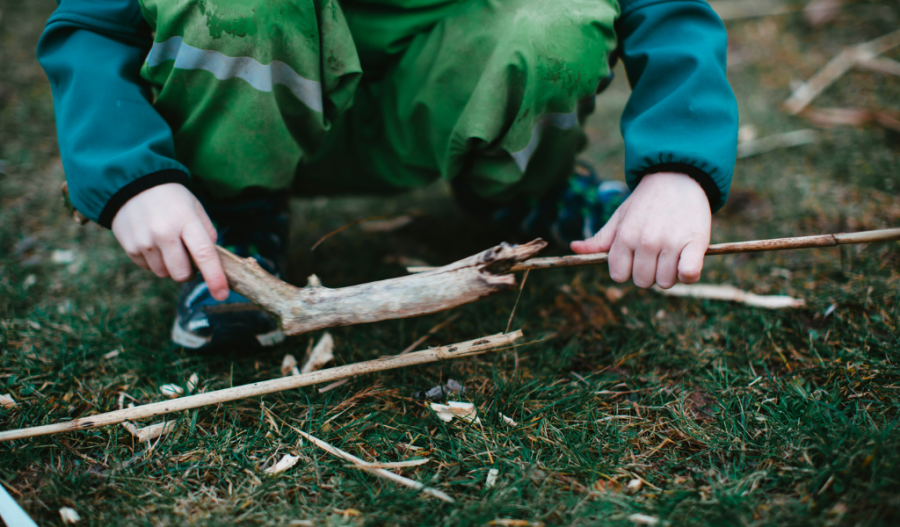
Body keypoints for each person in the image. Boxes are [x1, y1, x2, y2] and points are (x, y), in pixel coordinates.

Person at [38, 0, 738, 350]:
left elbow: (665, 7)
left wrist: (679, 164)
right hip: (262, 106)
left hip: (447, 90)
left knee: (557, 19)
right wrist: (134, 177)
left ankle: (527, 189)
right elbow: (94, 25)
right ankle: (236, 221)